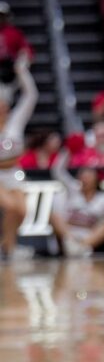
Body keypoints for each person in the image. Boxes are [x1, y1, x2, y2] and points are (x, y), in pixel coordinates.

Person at [0, 54, 38, 259]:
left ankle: (7, 246)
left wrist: (21, 72)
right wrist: (11, 159)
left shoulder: (16, 121)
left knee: (23, 211)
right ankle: (10, 249)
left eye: (4, 103)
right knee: (11, 207)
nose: (2, 106)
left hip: (14, 174)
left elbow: (31, 95)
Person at [50, 148, 104, 257]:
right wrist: (68, 149)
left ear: (96, 179)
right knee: (54, 217)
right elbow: (58, 171)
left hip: (89, 239)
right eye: (83, 176)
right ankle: (73, 246)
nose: (85, 179)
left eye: (89, 176)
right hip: (68, 237)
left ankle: (81, 248)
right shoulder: (72, 190)